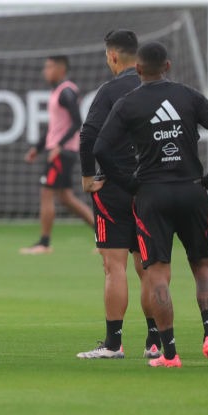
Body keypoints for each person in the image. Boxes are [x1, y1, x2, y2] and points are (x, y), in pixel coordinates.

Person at [93, 41, 208, 368]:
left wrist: (129, 183)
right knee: (202, 266)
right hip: (191, 190)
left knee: (157, 272)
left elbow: (100, 148)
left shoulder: (129, 103)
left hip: (152, 196)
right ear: (168, 66)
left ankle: (169, 353)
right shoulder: (189, 96)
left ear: (138, 69)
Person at [76, 30, 161, 359]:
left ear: (112, 56)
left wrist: (86, 177)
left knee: (115, 267)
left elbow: (88, 136)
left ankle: (113, 344)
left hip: (113, 189)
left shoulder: (110, 91)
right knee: (149, 267)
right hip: (149, 188)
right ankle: (155, 341)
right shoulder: (155, 90)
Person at [21, 55, 94, 254]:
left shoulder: (66, 92)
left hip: (61, 153)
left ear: (61, 69)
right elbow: (55, 128)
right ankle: (103, 236)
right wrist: (37, 147)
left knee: (47, 192)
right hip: (60, 151)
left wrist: (59, 146)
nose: (45, 71)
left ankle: (44, 243)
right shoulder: (57, 92)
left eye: (49, 67)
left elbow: (77, 122)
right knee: (66, 198)